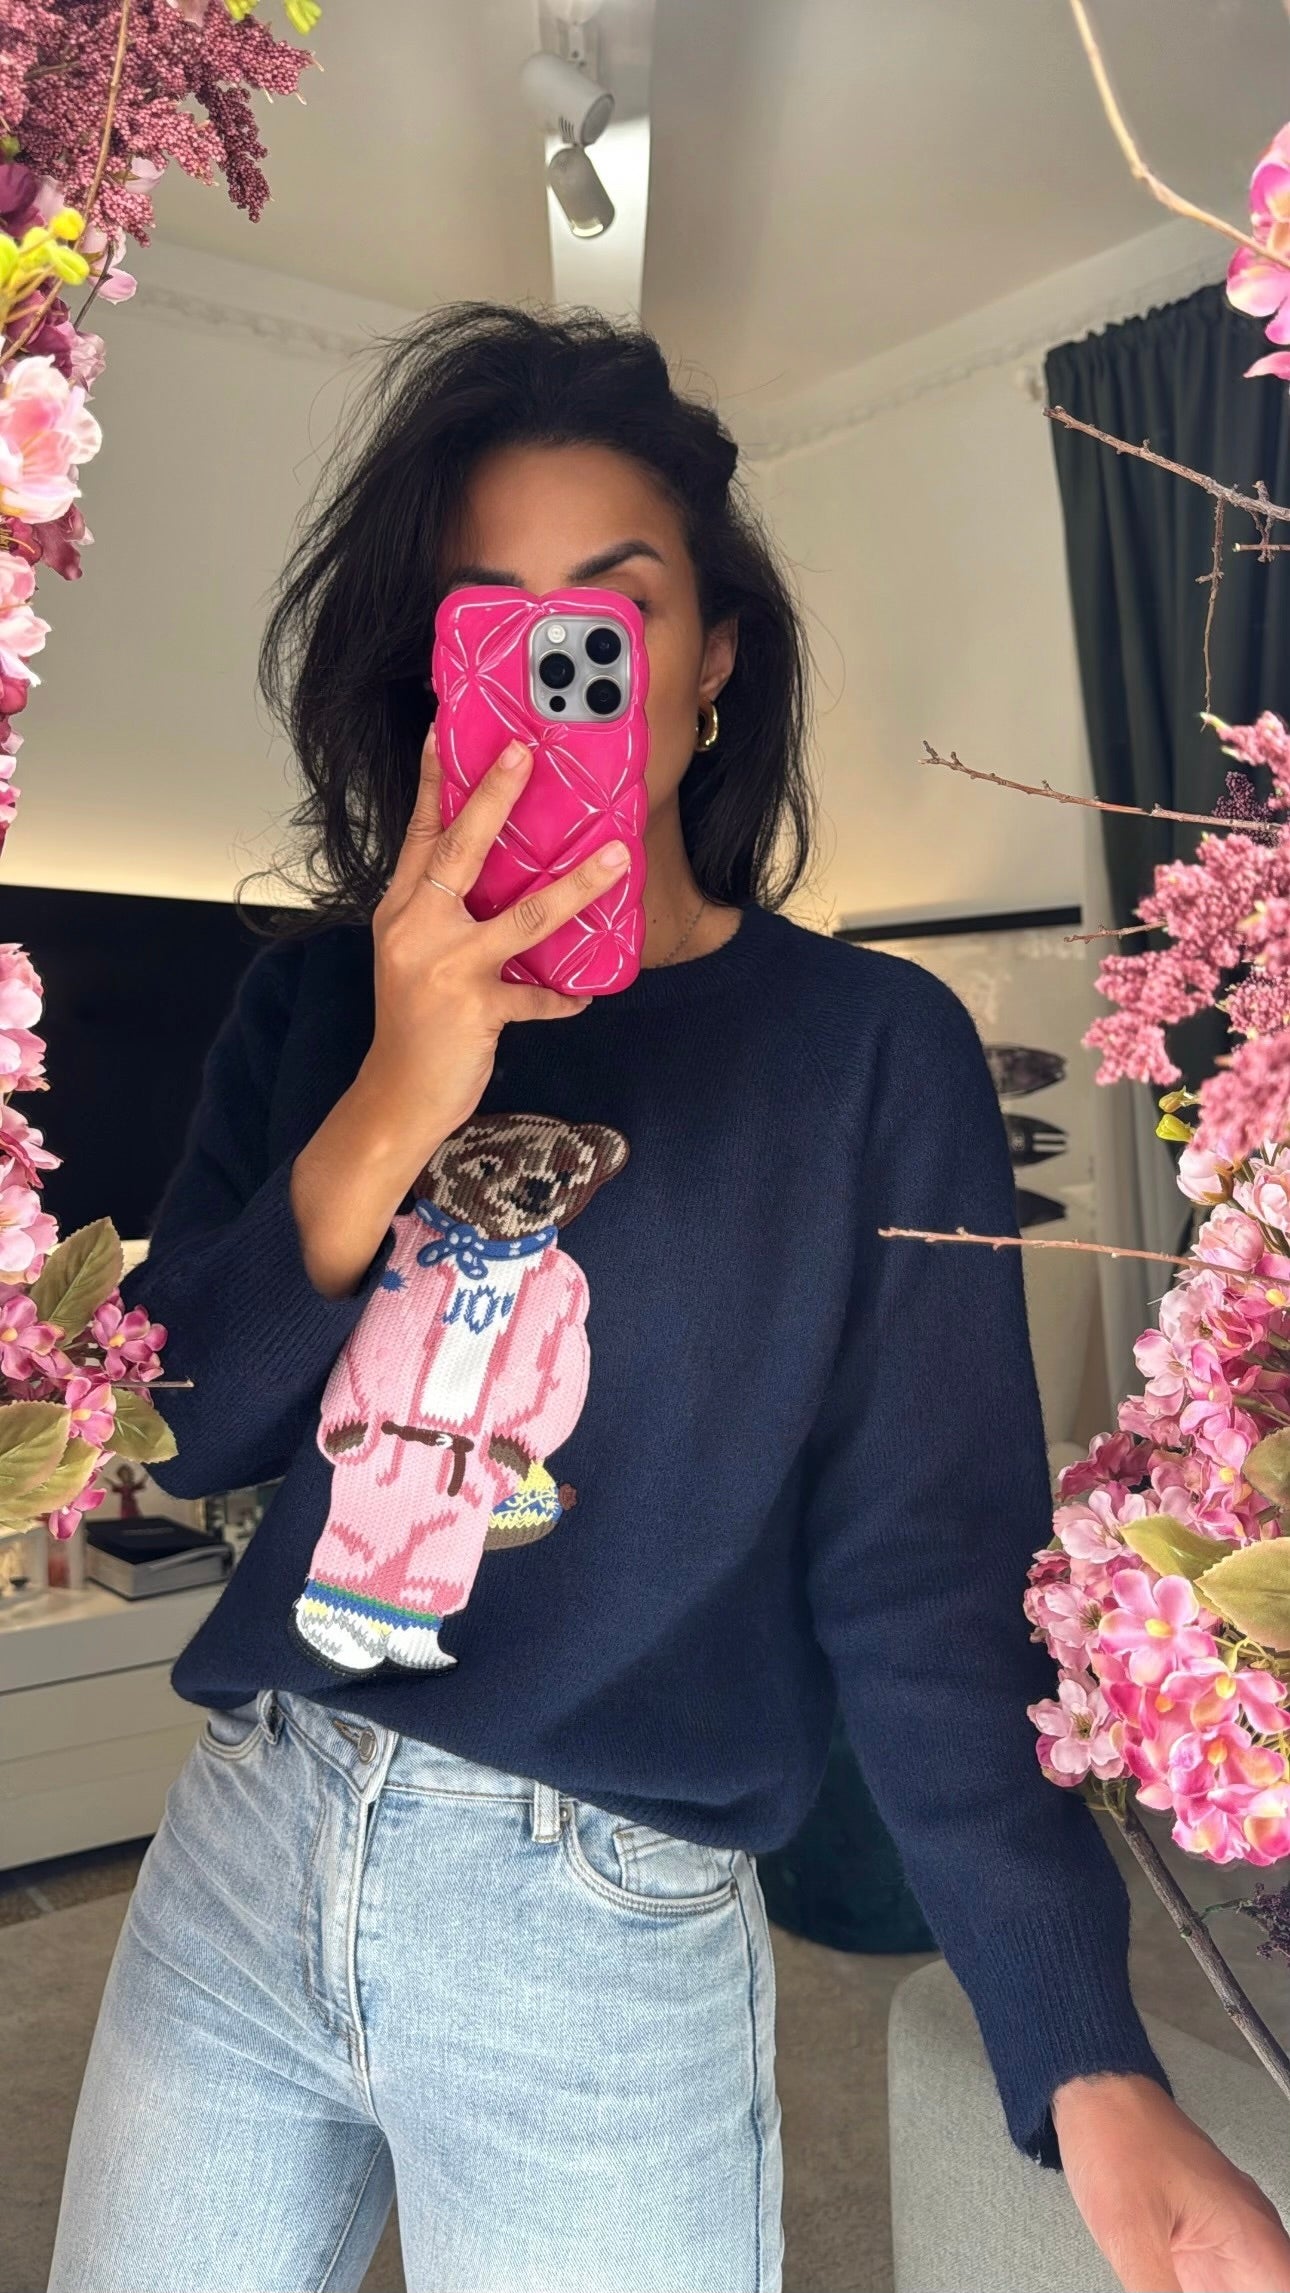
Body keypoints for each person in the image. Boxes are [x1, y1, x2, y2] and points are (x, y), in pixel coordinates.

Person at [48, 305, 1290, 2293]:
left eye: (611, 613)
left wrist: (1083, 2054)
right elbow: (184, 1427)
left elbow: (918, 1576)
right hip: (248, 1840)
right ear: (437, 671)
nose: (557, 665)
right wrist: (394, 1091)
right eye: (491, 617)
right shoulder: (312, 1006)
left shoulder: (866, 1053)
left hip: (597, 1924)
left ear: (710, 656)